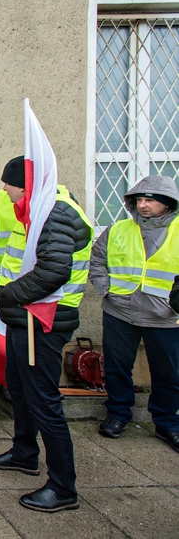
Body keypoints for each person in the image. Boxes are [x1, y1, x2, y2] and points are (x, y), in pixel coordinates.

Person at [0, 157, 93, 513]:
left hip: (44, 321)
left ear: (24, 184)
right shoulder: (40, 206)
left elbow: (54, 270)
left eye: (8, 184)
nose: (4, 190)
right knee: (20, 387)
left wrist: (8, 293)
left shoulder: (56, 211)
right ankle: (25, 452)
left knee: (44, 400)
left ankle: (63, 487)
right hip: (23, 319)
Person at [88, 175, 179, 454]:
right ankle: (117, 414)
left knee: (168, 372)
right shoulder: (118, 230)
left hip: (164, 315)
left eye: (150, 200)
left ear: (167, 203)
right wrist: (106, 291)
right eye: (139, 200)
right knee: (117, 366)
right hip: (120, 310)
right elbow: (97, 260)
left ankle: (166, 422)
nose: (143, 205)